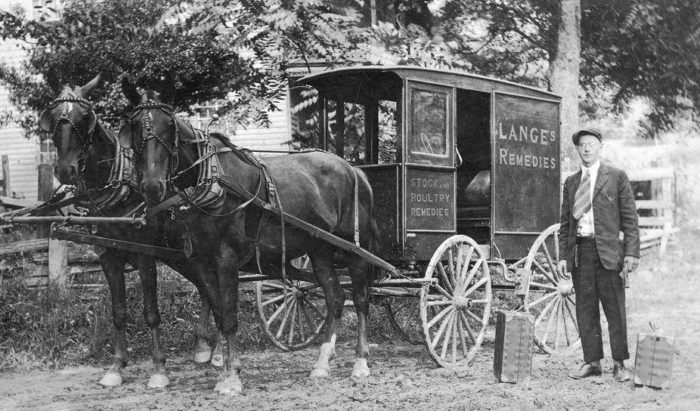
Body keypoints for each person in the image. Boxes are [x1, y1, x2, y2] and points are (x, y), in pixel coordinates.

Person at [557, 129, 640, 382]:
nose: (586, 149)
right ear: (578, 150)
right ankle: (592, 362)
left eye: (591, 144)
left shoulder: (616, 177)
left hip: (609, 254)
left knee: (615, 309)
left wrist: (631, 254)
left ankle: (620, 364)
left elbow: (630, 219)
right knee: (585, 309)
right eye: (582, 145)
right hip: (581, 253)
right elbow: (564, 225)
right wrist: (563, 256)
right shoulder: (571, 183)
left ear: (600, 146)